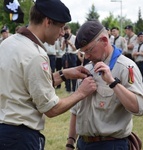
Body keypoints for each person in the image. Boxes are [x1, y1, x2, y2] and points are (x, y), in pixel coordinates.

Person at [0, 1, 97, 150]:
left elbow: (26, 83)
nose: (62, 33)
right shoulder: (35, 54)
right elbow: (51, 108)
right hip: (20, 137)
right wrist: (81, 93)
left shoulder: (8, 44)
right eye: (61, 27)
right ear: (48, 22)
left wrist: (63, 74)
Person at [66, 20, 143, 150]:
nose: (86, 56)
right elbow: (77, 111)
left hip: (111, 144)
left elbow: (140, 108)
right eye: (83, 52)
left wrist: (113, 83)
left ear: (104, 40)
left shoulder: (125, 67)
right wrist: (70, 142)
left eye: (89, 50)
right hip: (83, 143)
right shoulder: (87, 69)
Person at [61, 25, 77, 92]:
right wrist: (64, 43)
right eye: (65, 30)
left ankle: (74, 88)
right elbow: (62, 49)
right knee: (65, 71)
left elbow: (75, 49)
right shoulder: (63, 38)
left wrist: (70, 43)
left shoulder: (74, 37)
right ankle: (68, 88)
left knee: (73, 72)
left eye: (67, 30)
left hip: (72, 55)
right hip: (65, 55)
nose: (66, 31)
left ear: (70, 30)